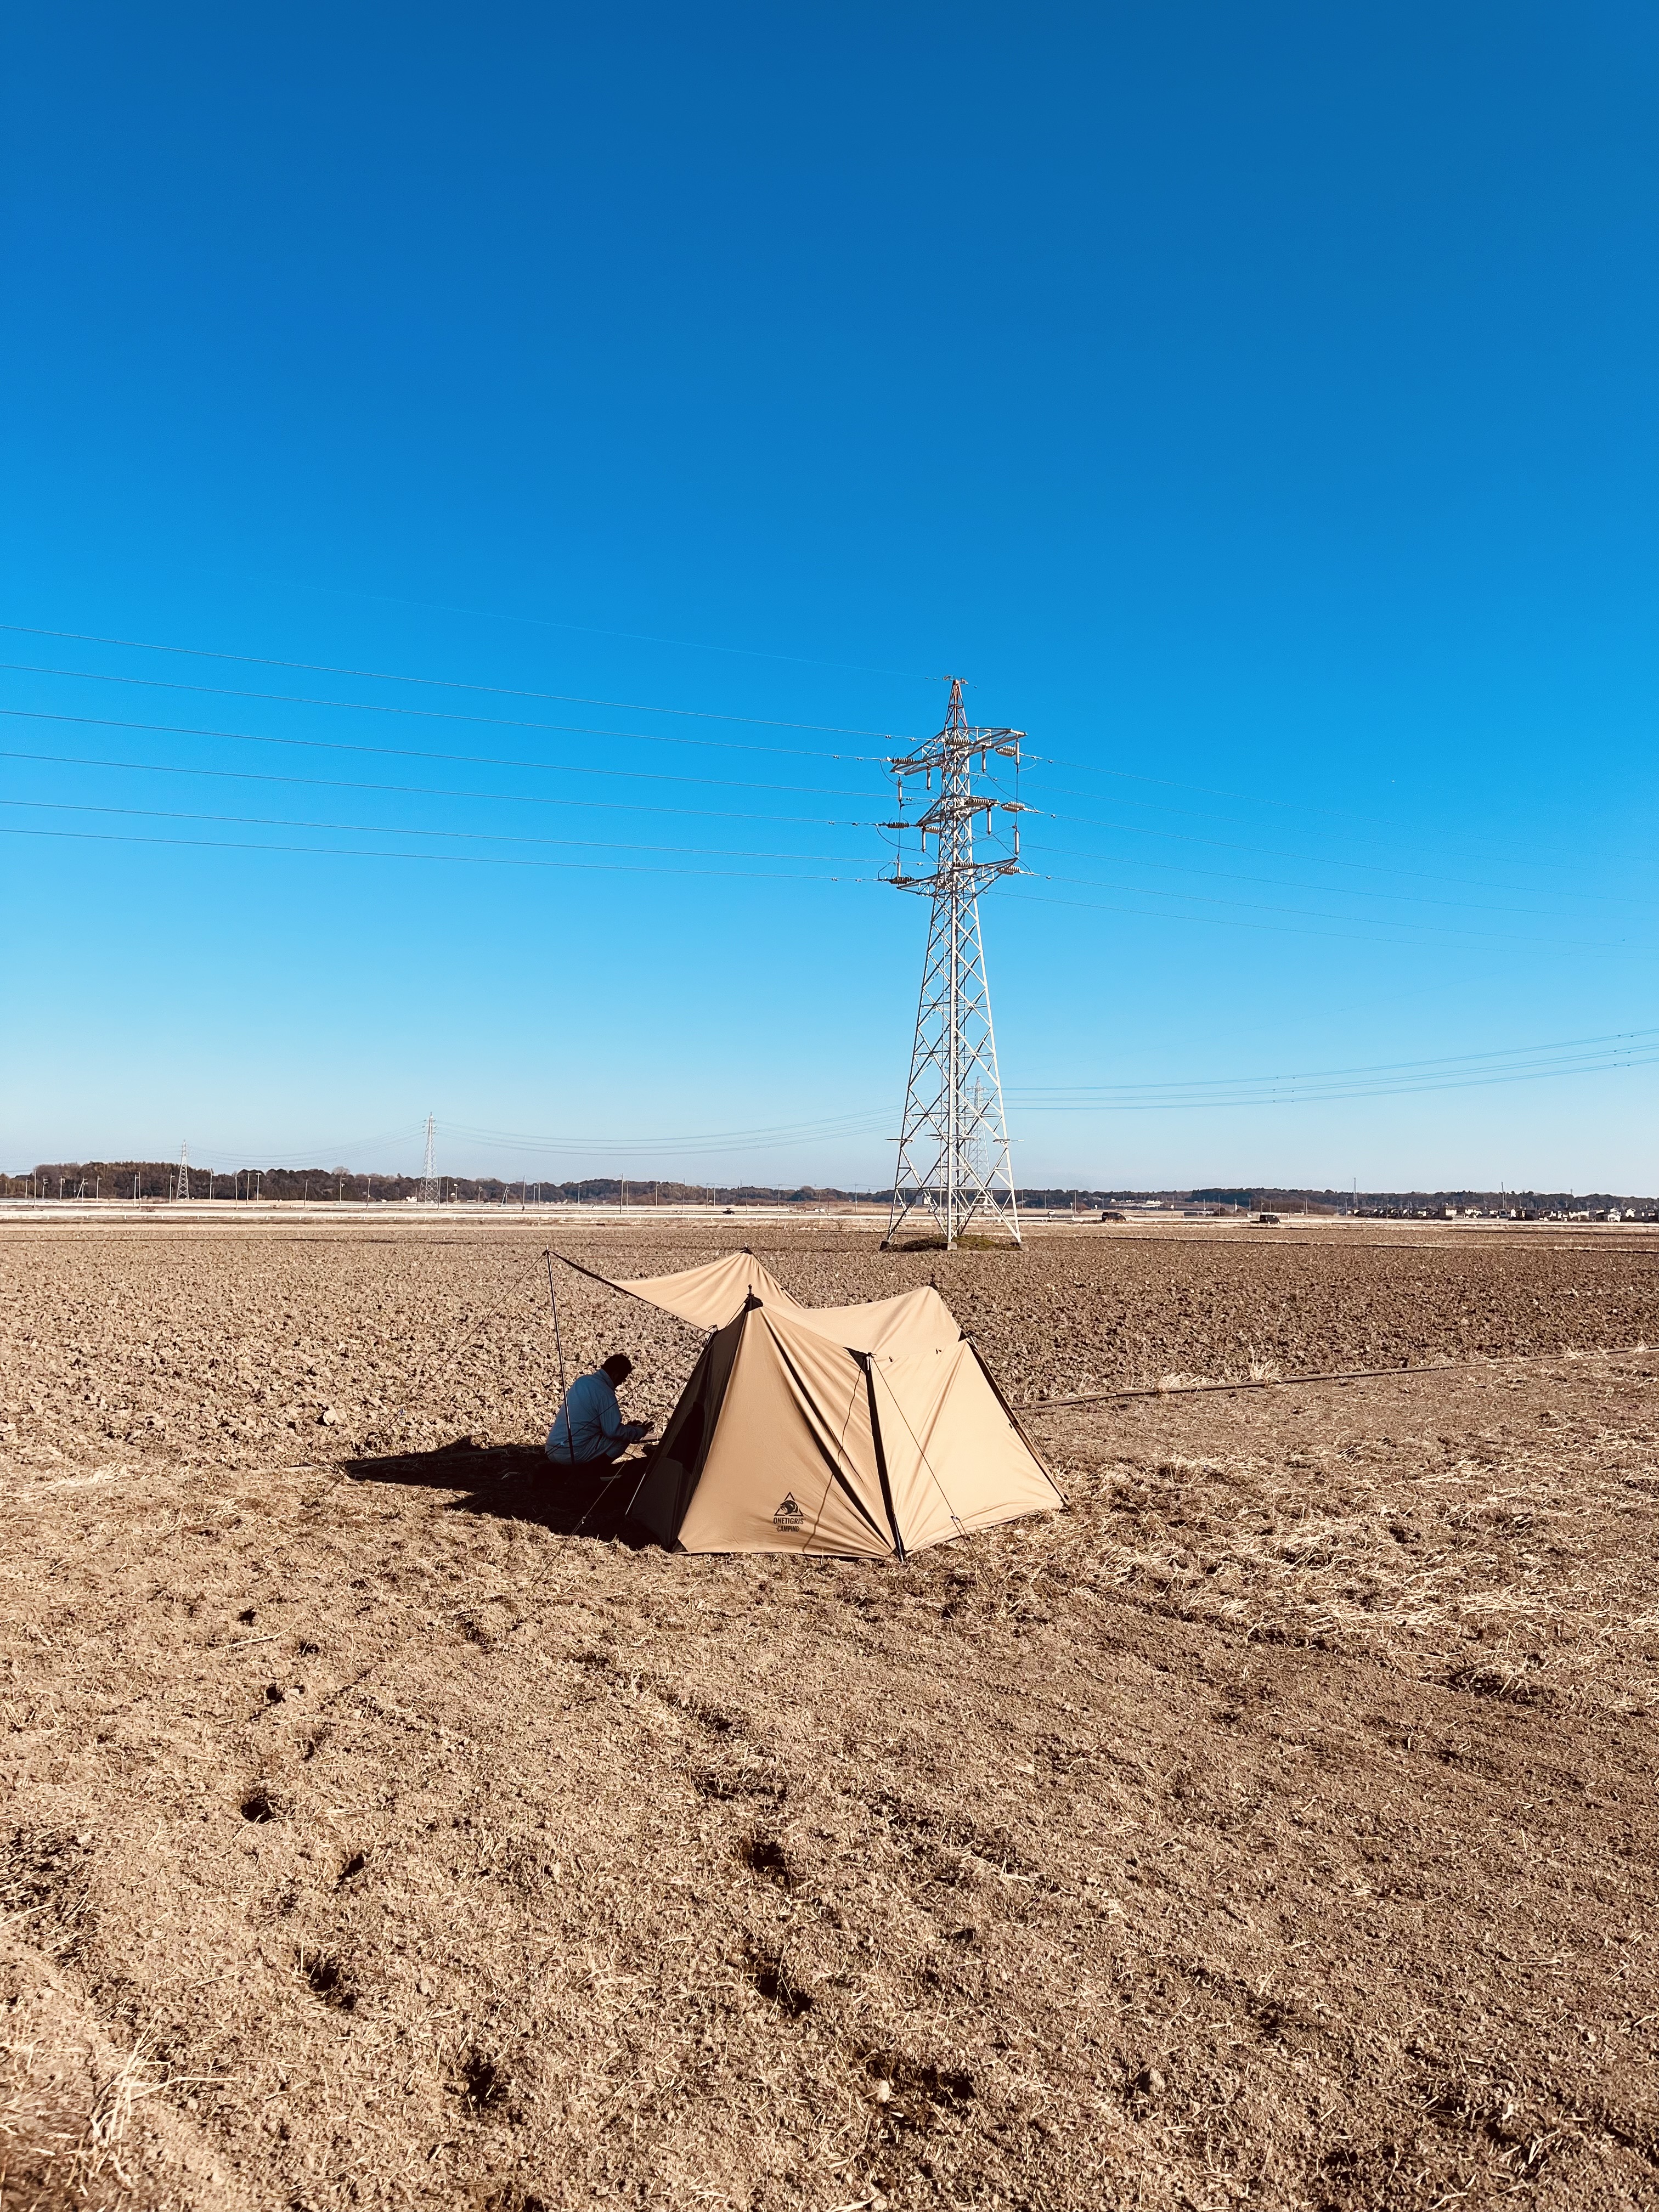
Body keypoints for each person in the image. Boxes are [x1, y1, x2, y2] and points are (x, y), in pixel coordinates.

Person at [545, 1352, 653, 1466]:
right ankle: (593, 1472)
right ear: (616, 1376)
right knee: (622, 1440)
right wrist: (639, 1431)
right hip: (570, 1454)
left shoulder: (582, 1381)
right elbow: (613, 1432)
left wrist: (628, 1428)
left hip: (552, 1448)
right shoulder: (605, 1393)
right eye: (622, 1380)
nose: (621, 1384)